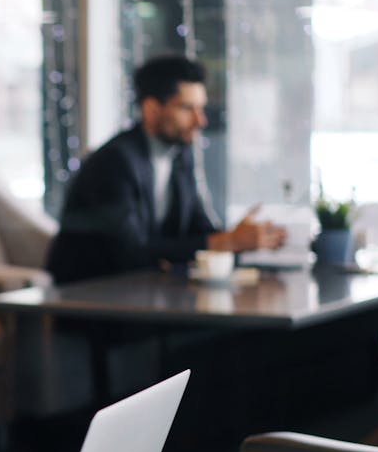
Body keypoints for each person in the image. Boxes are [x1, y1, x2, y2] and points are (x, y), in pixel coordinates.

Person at [46, 55, 286, 283]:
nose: (200, 121)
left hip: (142, 293)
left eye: (201, 108)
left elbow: (197, 228)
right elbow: (130, 252)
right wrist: (226, 242)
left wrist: (240, 239)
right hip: (90, 298)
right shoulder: (114, 162)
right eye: (187, 108)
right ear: (152, 109)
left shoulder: (179, 156)